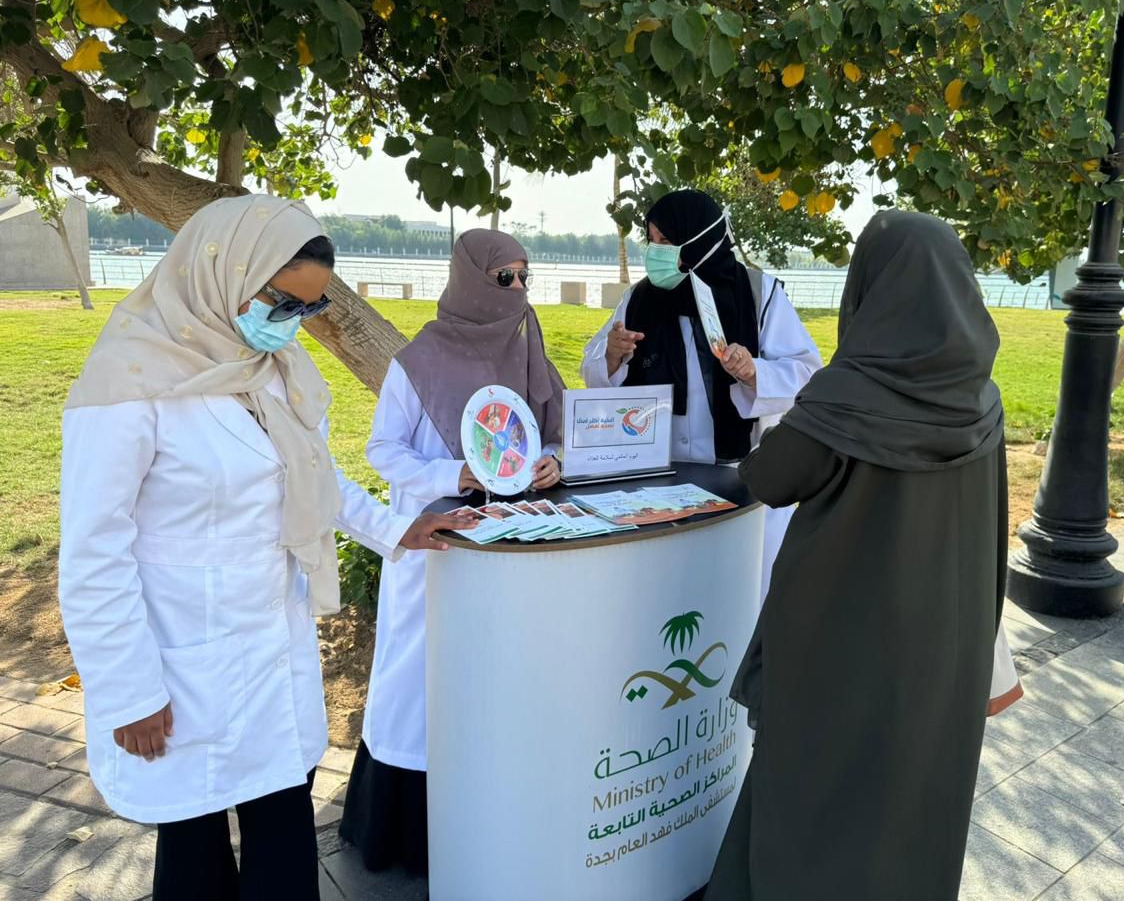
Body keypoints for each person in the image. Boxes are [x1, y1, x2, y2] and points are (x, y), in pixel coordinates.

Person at [57, 195, 476, 901]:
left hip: (270, 654)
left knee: (283, 824)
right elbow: (94, 553)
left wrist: (397, 529)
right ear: (222, 272)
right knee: (193, 850)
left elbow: (313, 473)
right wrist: (127, 689)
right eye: (280, 301)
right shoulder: (127, 385)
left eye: (304, 311)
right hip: (179, 662)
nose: (287, 324)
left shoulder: (262, 370)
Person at [705, 211, 1009, 900]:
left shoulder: (847, 396)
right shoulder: (982, 401)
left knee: (809, 803)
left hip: (841, 649)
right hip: (943, 653)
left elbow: (768, 479)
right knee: (913, 807)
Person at [340, 229, 566, 875]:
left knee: (491, 678)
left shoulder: (527, 350)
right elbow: (383, 450)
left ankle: (483, 816)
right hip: (432, 543)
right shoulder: (421, 358)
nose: (519, 290)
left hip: (509, 541)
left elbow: (550, 433)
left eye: (526, 276)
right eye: (505, 279)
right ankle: (400, 829)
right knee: (419, 675)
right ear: (470, 278)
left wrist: (550, 462)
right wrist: (453, 475)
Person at [580, 189, 822, 598]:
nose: (654, 252)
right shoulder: (638, 298)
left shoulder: (759, 294)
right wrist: (612, 356)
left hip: (740, 477)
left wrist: (753, 373)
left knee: (740, 595)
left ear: (698, 240)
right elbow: (594, 371)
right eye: (651, 241)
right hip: (658, 479)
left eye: (665, 242)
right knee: (669, 596)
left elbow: (806, 375)